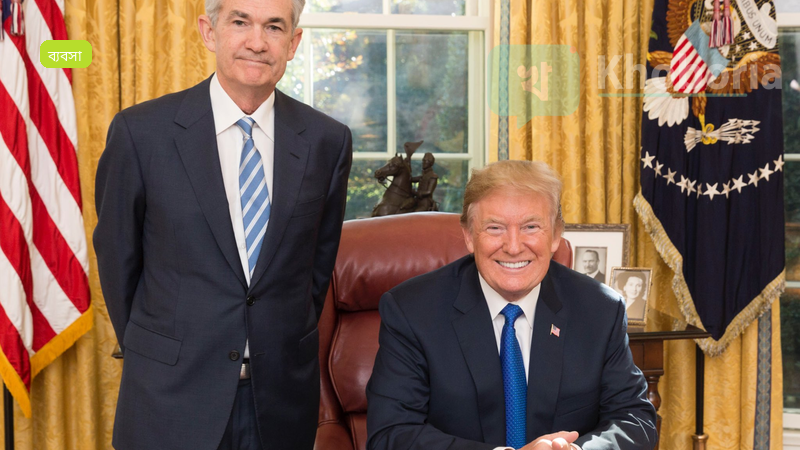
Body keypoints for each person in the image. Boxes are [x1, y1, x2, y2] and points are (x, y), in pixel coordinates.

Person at [93, 0, 352, 448]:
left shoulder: (327, 141)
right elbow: (118, 263)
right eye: (240, 22)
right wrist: (158, 348)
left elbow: (315, 270)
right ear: (209, 32)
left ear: (294, 43)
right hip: (169, 398)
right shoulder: (141, 133)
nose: (257, 42)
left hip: (280, 402)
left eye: (274, 27)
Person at [366, 160, 656, 450]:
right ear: (468, 236)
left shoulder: (599, 310)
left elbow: (635, 420)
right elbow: (390, 433)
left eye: (531, 227)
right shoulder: (412, 311)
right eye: (495, 228)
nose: (514, 247)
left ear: (556, 235)